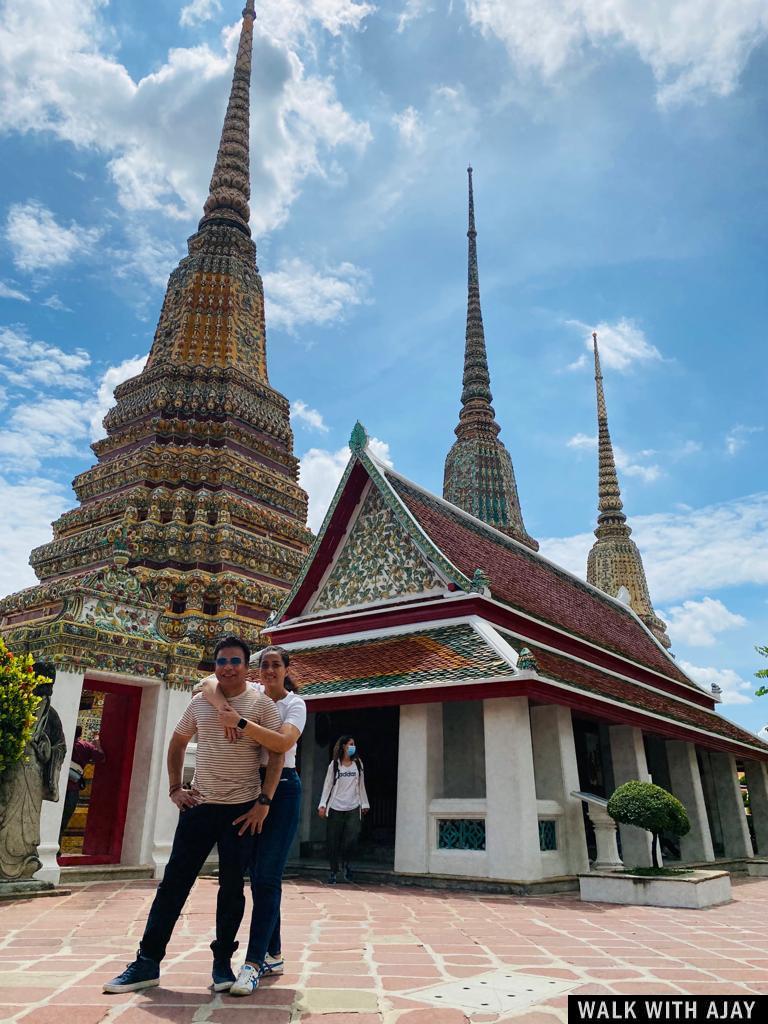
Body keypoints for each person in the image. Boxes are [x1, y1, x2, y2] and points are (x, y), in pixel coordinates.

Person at [103, 635, 284, 995]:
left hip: (240, 810)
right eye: (221, 661)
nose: (228, 667)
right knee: (173, 885)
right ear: (215, 666)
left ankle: (222, 964)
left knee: (232, 889)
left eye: (235, 661)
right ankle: (147, 961)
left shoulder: (262, 706)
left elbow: (277, 753)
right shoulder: (201, 703)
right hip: (199, 806)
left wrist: (264, 801)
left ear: (247, 667)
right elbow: (177, 742)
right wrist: (175, 788)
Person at [201, 645, 306, 996]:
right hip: (250, 783)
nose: (270, 671)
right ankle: (274, 953)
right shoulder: (255, 694)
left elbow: (283, 742)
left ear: (287, 669)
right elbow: (205, 682)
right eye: (264, 665)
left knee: (267, 876)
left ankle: (254, 962)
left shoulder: (294, 704)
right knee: (255, 874)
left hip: (283, 789)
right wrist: (223, 707)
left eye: (277, 665)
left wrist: (240, 722)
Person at [318, 735, 369, 885]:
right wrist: (322, 805)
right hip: (336, 807)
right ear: (343, 747)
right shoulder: (334, 765)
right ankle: (334, 871)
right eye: (350, 744)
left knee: (351, 838)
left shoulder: (358, 764)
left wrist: (364, 804)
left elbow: (361, 785)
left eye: (354, 744)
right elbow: (327, 785)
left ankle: (346, 864)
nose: (353, 747)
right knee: (333, 840)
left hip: (353, 806)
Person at [59, 726, 105, 846]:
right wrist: (97, 742)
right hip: (73, 788)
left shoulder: (60, 744)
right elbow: (101, 757)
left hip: (57, 784)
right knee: (64, 819)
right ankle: (58, 845)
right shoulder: (84, 746)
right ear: (80, 734)